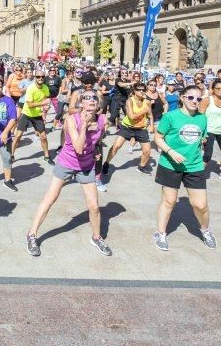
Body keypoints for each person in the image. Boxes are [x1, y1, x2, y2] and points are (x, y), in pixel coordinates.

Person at [26, 94, 111, 257]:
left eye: (94, 98)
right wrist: (85, 126)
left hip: (86, 166)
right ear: (81, 103)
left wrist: (96, 153)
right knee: (50, 198)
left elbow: (98, 141)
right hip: (67, 162)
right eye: (87, 98)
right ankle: (31, 234)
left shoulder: (102, 120)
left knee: (94, 206)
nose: (92, 100)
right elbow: (78, 148)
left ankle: (96, 237)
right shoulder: (72, 120)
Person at [152, 85, 217, 251]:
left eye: (198, 98)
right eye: (191, 97)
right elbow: (158, 137)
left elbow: (202, 138)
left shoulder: (202, 119)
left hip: (194, 165)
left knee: (200, 204)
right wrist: (170, 151)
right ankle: (160, 233)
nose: (195, 101)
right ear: (182, 98)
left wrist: (202, 145)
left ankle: (205, 230)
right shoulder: (171, 116)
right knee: (169, 201)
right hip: (170, 164)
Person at [103, 83, 153, 175]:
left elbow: (150, 115)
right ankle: (106, 163)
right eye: (139, 89)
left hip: (141, 129)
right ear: (134, 91)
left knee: (147, 151)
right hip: (127, 127)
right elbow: (131, 116)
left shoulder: (147, 102)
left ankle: (141, 167)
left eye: (143, 90)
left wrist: (152, 125)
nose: (141, 91)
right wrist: (144, 111)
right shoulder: (129, 101)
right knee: (116, 147)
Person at [11, 70, 53, 165]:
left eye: (42, 77)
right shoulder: (31, 88)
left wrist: (47, 104)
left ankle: (46, 156)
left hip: (37, 115)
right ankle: (11, 155)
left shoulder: (45, 87)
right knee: (18, 136)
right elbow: (30, 105)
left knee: (43, 136)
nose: (40, 78)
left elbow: (47, 97)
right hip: (27, 114)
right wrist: (43, 103)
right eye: (38, 77)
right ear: (35, 78)